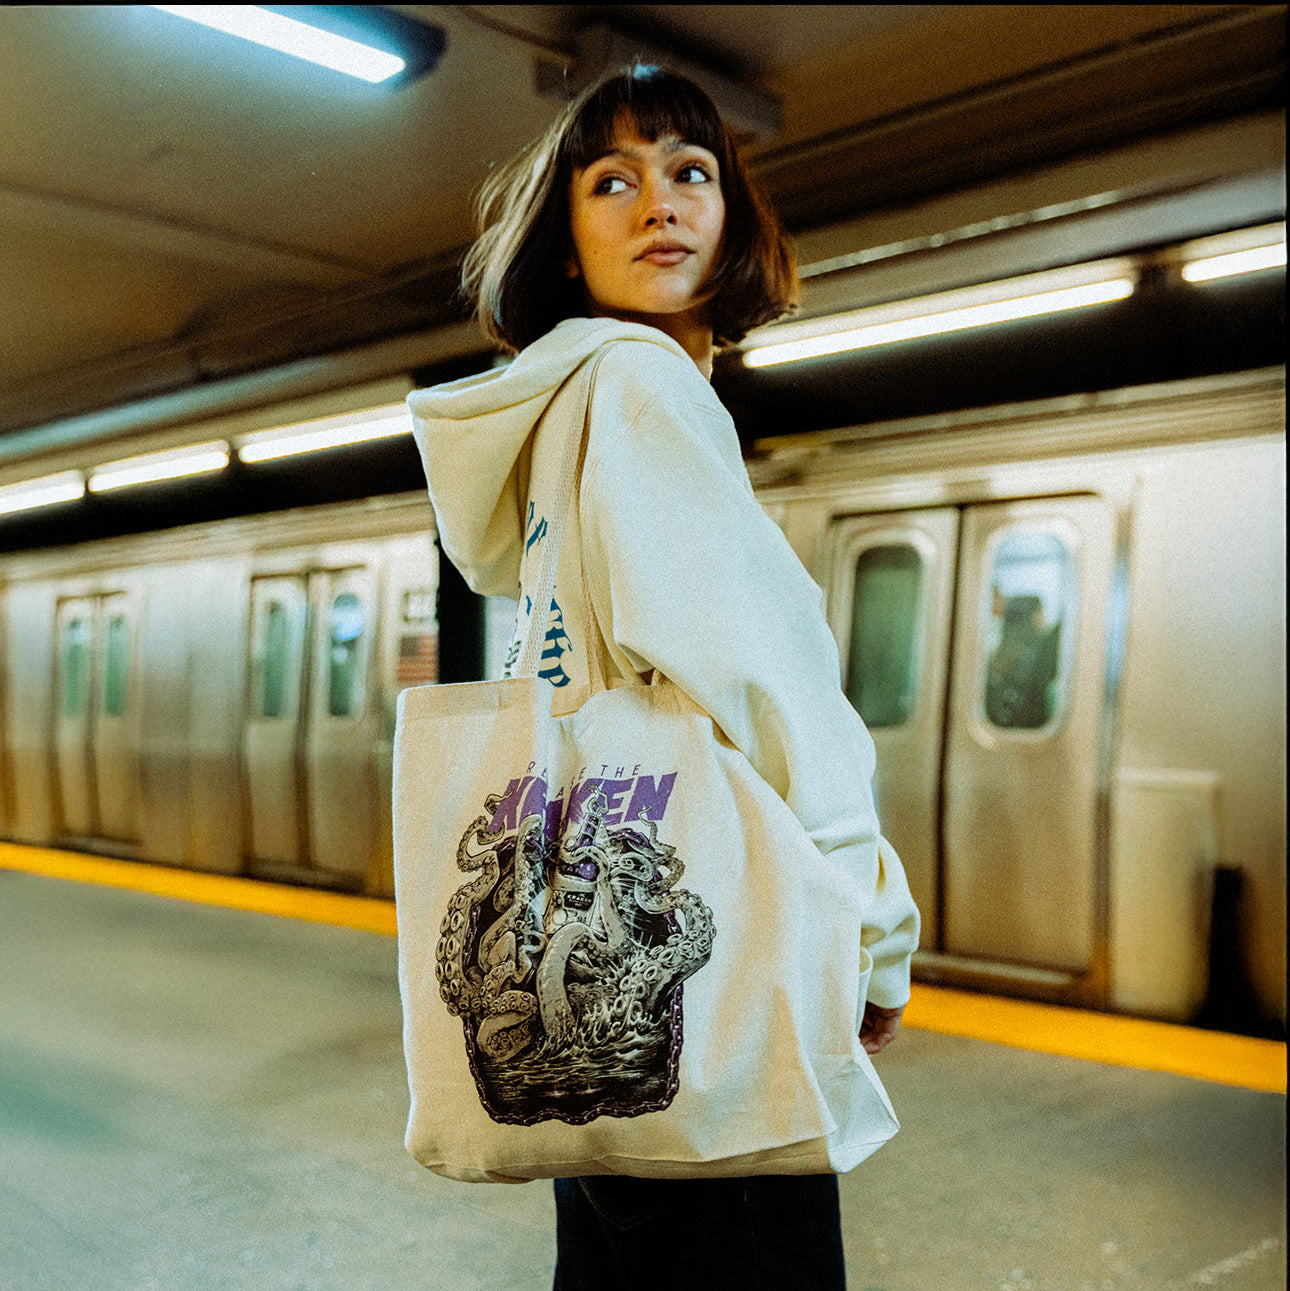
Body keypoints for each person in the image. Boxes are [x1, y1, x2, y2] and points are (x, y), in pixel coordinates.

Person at [407, 64, 919, 1291]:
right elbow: (762, 688)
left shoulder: (561, 420)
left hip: (588, 992)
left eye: (693, 172)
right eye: (613, 179)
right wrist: (872, 927)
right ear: (567, 241)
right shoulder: (641, 390)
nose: (662, 202)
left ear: (734, 216)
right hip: (707, 981)